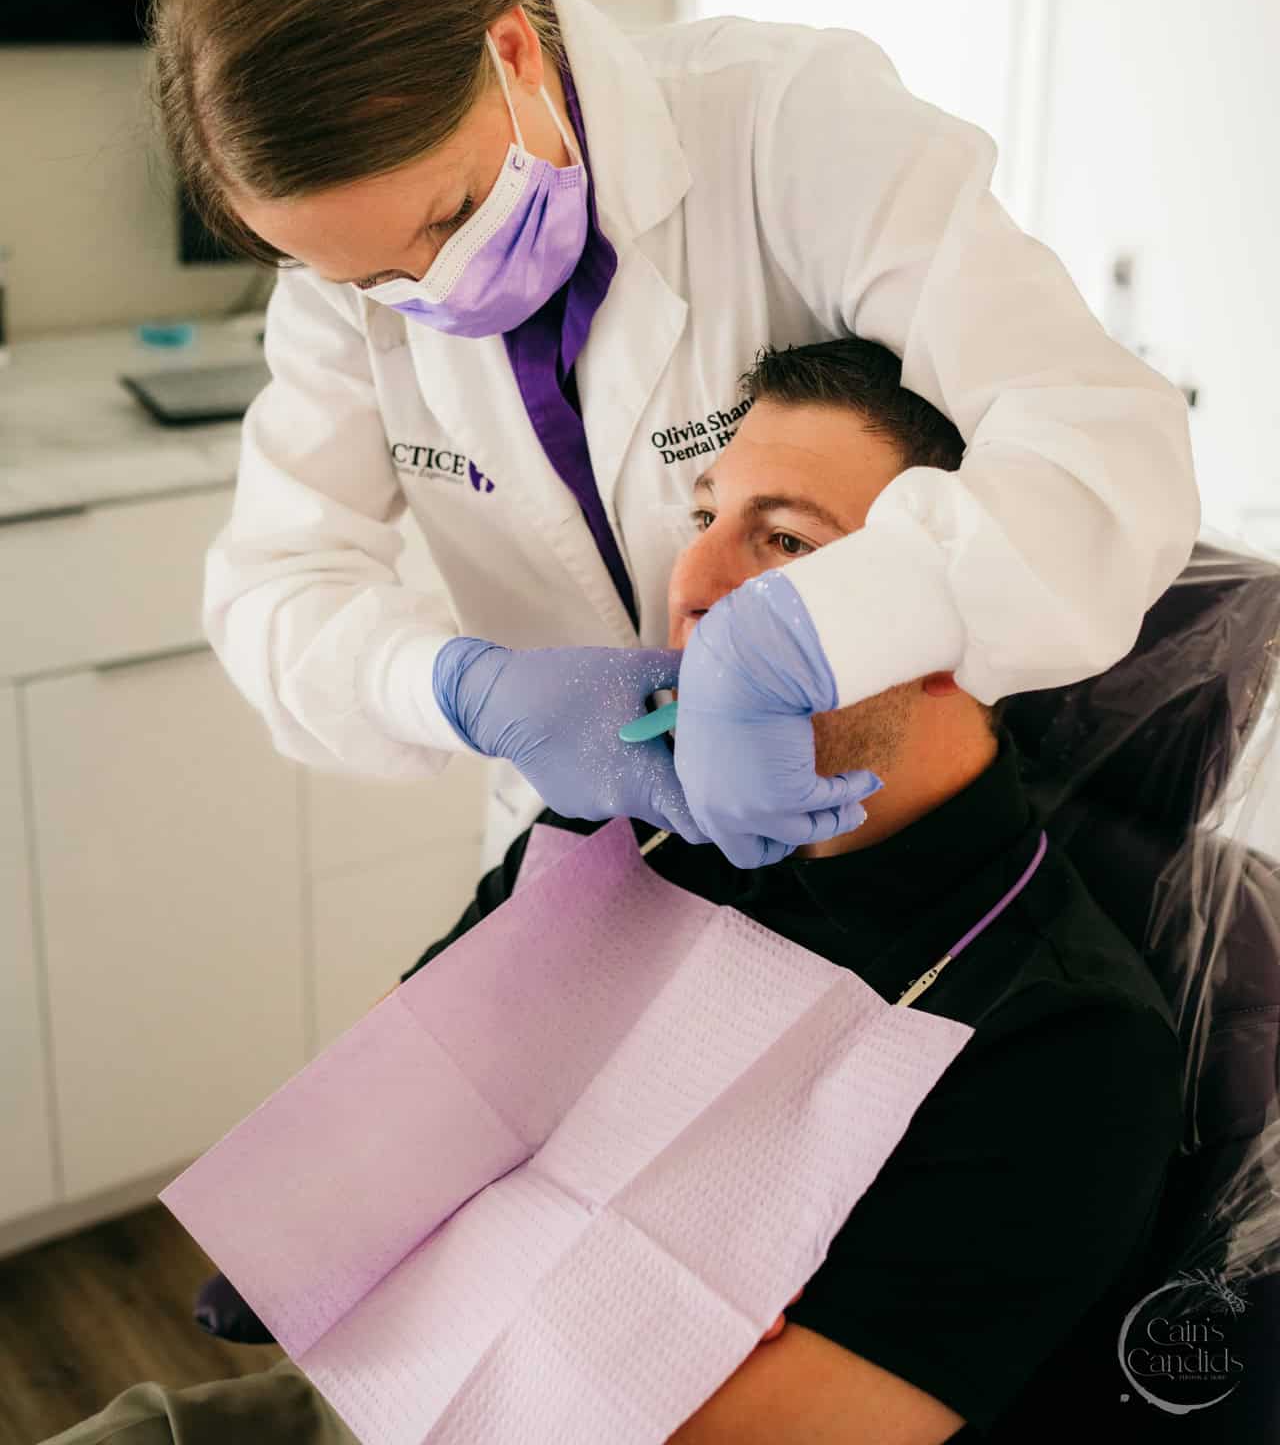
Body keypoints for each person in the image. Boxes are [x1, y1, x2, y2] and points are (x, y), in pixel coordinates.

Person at [44, 338, 1185, 1444]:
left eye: (783, 542)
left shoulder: (1062, 1037)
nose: (691, 585)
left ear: (950, 611)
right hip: (372, 1393)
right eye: (700, 520)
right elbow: (397, 1109)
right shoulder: (622, 832)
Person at [145, 0, 1201, 870]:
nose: (434, 285)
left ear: (509, 50)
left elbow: (1097, 451)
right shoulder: (336, 271)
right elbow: (275, 588)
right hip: (587, 840)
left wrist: (801, 638)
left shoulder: (786, 123)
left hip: (866, 821)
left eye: (448, 214)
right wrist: (462, 692)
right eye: (377, 278)